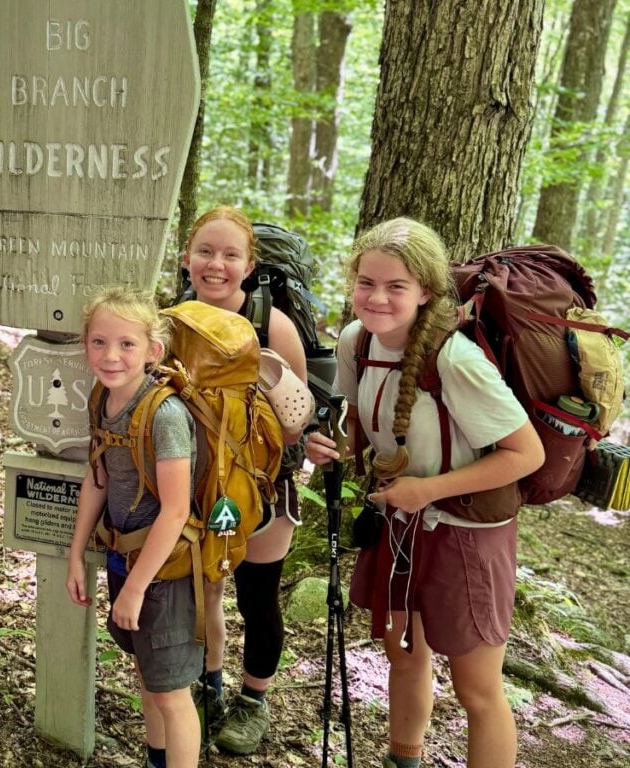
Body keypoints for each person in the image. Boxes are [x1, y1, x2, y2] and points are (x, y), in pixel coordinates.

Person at [304, 217, 544, 768]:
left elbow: (525, 455)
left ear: (426, 292)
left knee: (476, 688)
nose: (377, 297)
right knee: (404, 655)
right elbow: (358, 426)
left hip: (467, 537)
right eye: (367, 282)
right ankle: (403, 759)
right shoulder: (355, 341)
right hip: (401, 524)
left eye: (395, 287)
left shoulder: (457, 361)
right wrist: (331, 446)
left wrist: (427, 490)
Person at [180, 205, 308, 755]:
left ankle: (253, 699)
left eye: (231, 255)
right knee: (203, 590)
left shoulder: (270, 324)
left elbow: (301, 412)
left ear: (250, 265)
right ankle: (207, 684)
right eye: (206, 251)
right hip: (191, 484)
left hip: (261, 486)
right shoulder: (172, 320)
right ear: (186, 258)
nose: (217, 264)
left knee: (257, 597)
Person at [67, 287, 202, 768]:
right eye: (99, 342)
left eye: (126, 344)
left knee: (171, 693)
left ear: (153, 351)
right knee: (149, 676)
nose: (111, 355)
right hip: (127, 560)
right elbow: (97, 477)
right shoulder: (103, 398)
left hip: (165, 572)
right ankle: (156, 759)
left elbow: (175, 511)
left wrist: (136, 590)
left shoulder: (164, 414)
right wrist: (76, 555)